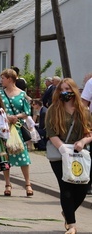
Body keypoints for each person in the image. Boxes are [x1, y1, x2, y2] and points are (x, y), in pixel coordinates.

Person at [46, 78, 92, 234]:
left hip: (78, 153)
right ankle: (72, 225)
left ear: (75, 91)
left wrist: (83, 141)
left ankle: (67, 212)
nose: (65, 92)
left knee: (83, 188)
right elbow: (51, 133)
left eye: (68, 88)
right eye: (61, 89)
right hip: (60, 154)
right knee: (66, 187)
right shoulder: (54, 109)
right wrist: (63, 148)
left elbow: (89, 132)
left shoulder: (83, 111)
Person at [0, 68, 33, 197]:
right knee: (5, 157)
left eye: (3, 78)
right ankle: (7, 183)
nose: (1, 80)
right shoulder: (0, 94)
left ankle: (28, 183)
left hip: (17, 128)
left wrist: (16, 116)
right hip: (5, 128)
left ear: (10, 79)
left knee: (23, 156)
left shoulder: (22, 94)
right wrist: (6, 117)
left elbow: (27, 112)